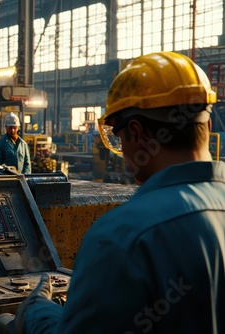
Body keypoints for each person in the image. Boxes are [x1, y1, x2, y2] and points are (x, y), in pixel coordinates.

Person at [15, 51, 225, 333]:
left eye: (118, 136)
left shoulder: (122, 237)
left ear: (137, 134)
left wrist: (35, 312)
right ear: (207, 125)